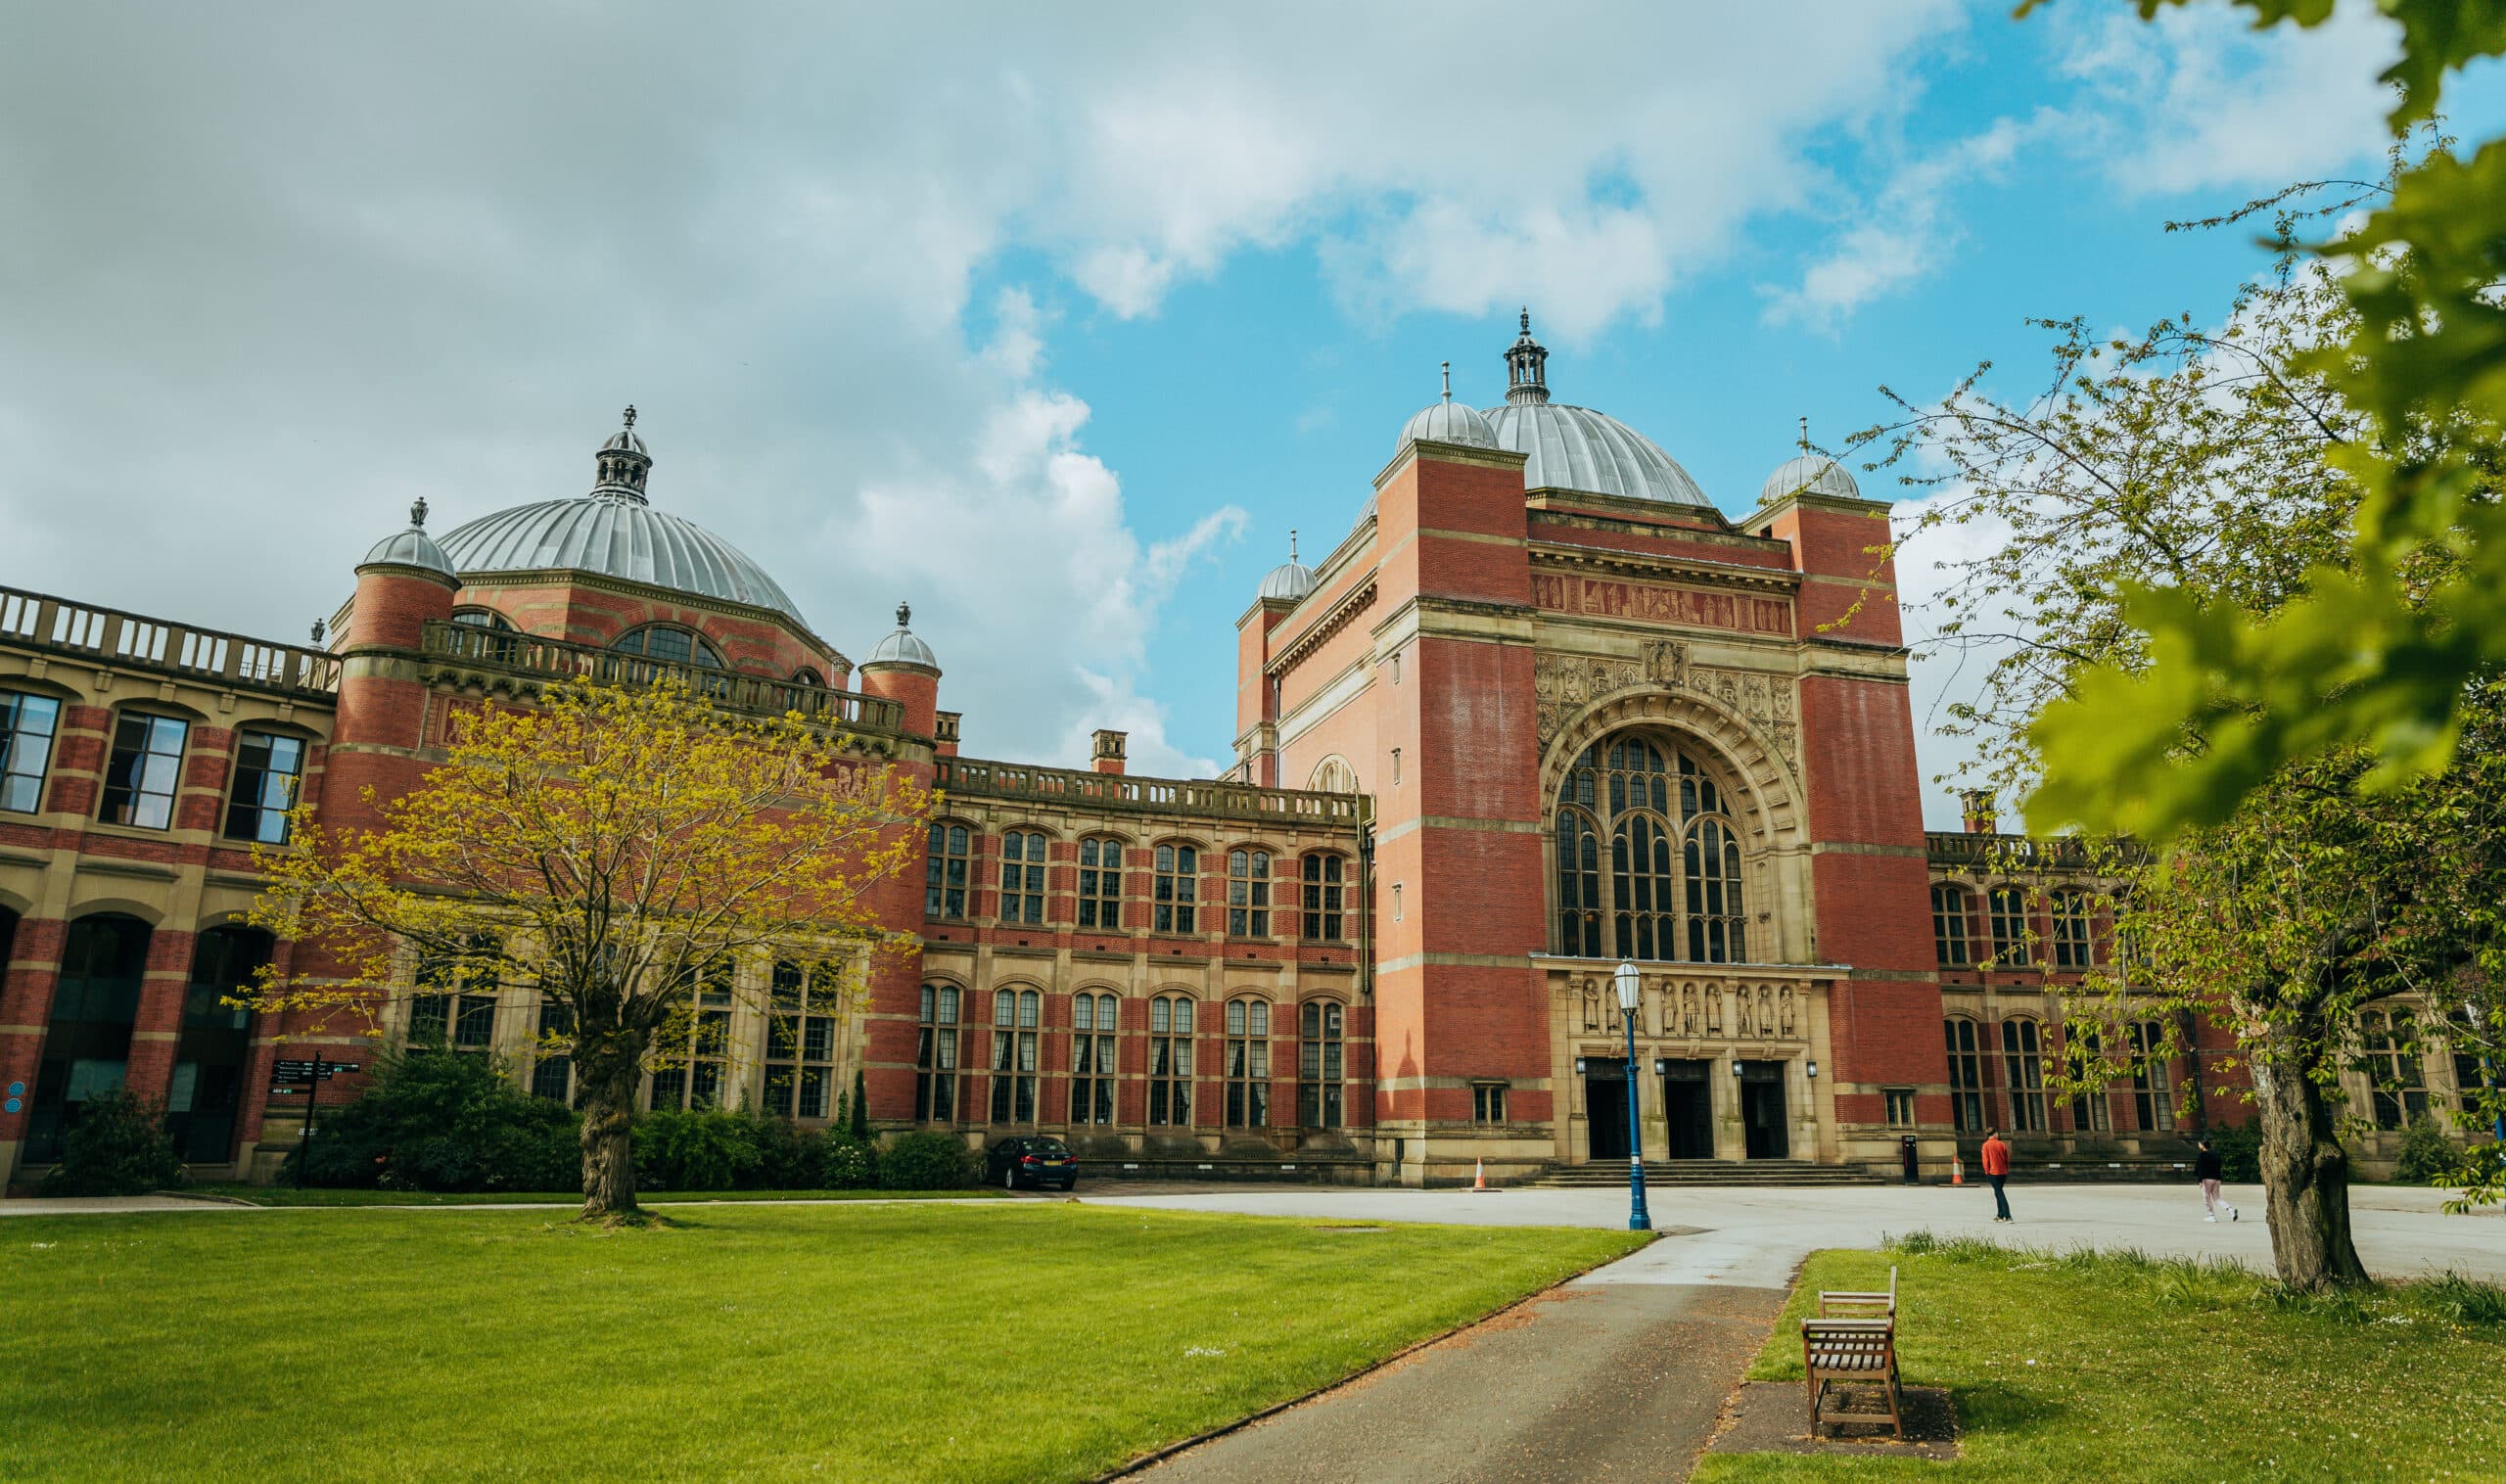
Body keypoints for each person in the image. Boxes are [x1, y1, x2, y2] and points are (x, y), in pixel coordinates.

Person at [2194, 1136, 2237, 1222]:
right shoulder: (2216, 1154)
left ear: (2202, 1145)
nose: (2198, 1145)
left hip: (2206, 1179)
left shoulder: (2203, 1155)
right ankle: (2230, 1210)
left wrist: (2200, 1180)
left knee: (2206, 1197)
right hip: (2217, 1178)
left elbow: (2201, 1168)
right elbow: (2219, 1166)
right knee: (2217, 1198)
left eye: (2199, 1144)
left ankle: (2211, 1215)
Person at [1979, 1128, 2013, 1223]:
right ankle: (2000, 1215)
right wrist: (2006, 1169)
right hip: (2003, 1172)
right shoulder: (2002, 1144)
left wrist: (1986, 1171)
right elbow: (2007, 1159)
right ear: (1994, 1134)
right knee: (1998, 1192)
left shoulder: (1985, 1145)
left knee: (2000, 1193)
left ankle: (2008, 1215)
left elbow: (1985, 1160)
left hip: (1992, 1173)